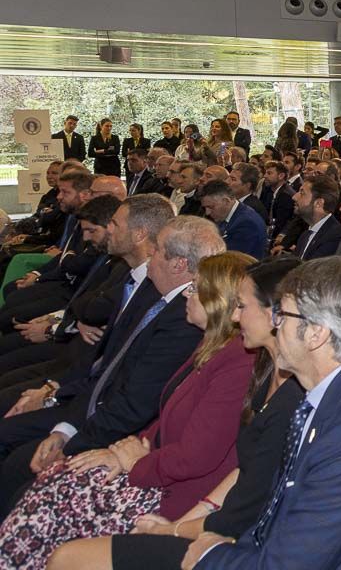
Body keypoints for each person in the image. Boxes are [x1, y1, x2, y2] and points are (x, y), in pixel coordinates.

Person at [44, 259, 305, 570]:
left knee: (65, 547)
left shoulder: (257, 371)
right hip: (201, 507)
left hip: (217, 524)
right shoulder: (262, 367)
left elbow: (234, 494)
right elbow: (238, 469)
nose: (235, 316)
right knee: (57, 488)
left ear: (274, 314)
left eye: (242, 306)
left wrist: (173, 526)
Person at [0, 253, 257, 567]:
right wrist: (120, 452)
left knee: (56, 497)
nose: (187, 295)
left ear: (221, 302)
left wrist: (134, 463)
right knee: (55, 481)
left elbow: (196, 456)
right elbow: (162, 416)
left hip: (174, 494)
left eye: (195, 289)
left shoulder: (237, 362)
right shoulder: (210, 347)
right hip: (152, 466)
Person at [179, 257, 341, 568]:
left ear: (316, 334)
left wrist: (208, 556)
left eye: (281, 316)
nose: (273, 324)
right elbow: (274, 519)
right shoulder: (327, 395)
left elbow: (292, 563)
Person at [0, 214, 224, 519]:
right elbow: (106, 371)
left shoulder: (185, 321)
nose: (150, 254)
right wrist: (63, 423)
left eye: (156, 249)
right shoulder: (153, 293)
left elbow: (136, 405)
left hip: (118, 431)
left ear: (178, 264)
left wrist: (70, 443)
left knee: (19, 466)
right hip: (92, 407)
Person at [198, 181, 267, 259]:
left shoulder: (247, 224)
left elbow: (229, 260)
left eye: (211, 207)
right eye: (205, 208)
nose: (207, 212)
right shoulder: (231, 214)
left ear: (226, 201)